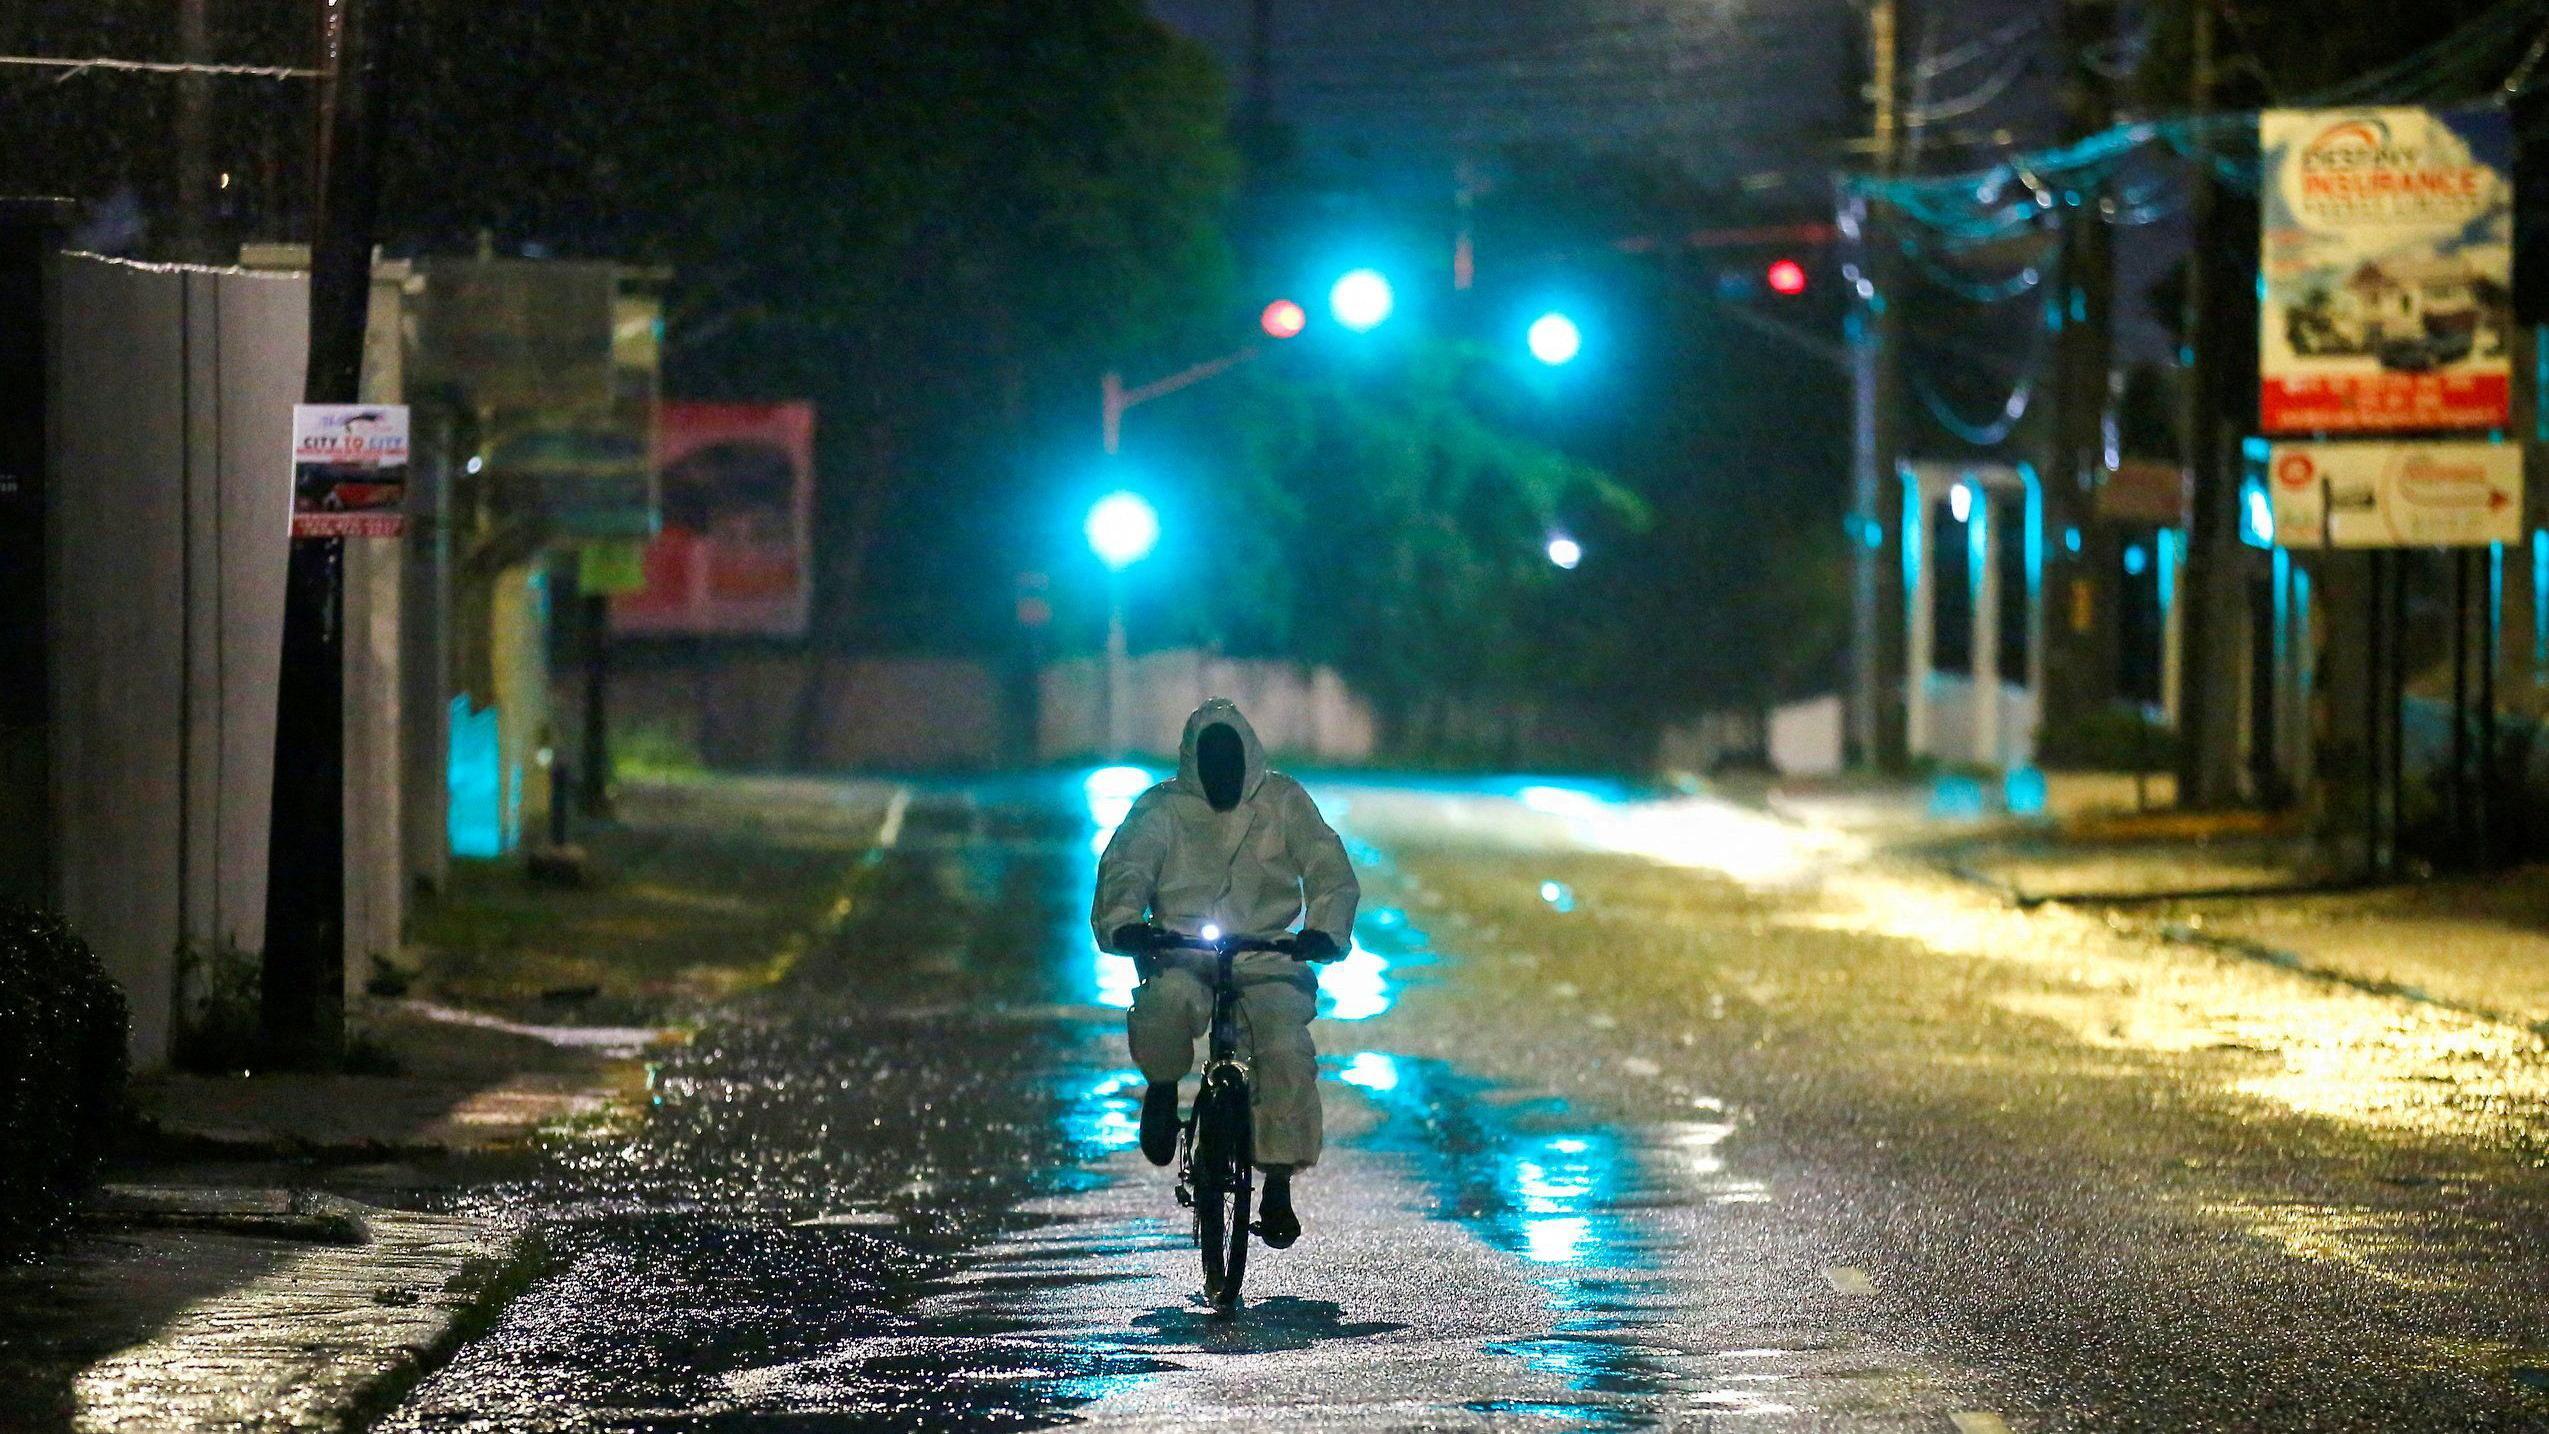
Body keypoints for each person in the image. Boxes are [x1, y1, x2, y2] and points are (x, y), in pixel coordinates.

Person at [1092, 697, 1358, 1249]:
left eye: (1230, 762)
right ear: (1194, 763)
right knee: (1163, 1006)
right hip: (1183, 951)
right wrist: (1125, 923)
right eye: (1210, 762)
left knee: (1284, 1050)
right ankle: (1163, 1087)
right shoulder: (1162, 810)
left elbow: (1326, 865)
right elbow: (1127, 868)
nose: (1222, 775)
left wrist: (1324, 930)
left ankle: (1277, 1180)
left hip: (1266, 955)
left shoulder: (1283, 803)